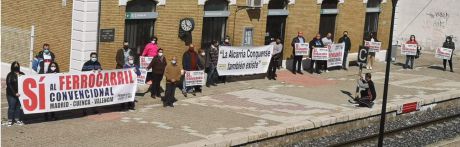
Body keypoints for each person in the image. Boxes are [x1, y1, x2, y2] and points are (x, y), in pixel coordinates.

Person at [6, 61, 25, 126]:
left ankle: (17, 119)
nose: (16, 67)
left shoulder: (21, 73)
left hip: (20, 94)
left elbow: (26, 81)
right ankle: (10, 120)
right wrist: (15, 93)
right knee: (12, 107)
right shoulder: (10, 74)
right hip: (11, 94)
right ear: (12, 66)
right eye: (15, 65)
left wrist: (21, 76)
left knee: (18, 107)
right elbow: (9, 85)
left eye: (17, 65)